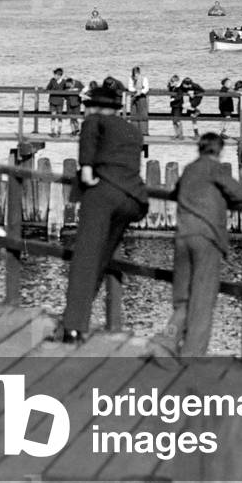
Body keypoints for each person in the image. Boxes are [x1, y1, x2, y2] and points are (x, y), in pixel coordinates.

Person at [57, 85, 149, 343]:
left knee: (85, 259)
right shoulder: (131, 129)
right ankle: (79, 317)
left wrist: (88, 175)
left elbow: (86, 169)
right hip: (133, 200)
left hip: (104, 194)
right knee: (101, 259)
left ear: (94, 107)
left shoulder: (93, 122)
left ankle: (73, 326)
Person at [166, 133, 242, 356]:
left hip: (183, 236)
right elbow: (240, 194)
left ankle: (166, 342)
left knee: (183, 296)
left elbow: (176, 192)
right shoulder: (215, 169)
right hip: (206, 238)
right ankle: (192, 357)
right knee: (202, 299)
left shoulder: (190, 168)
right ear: (219, 151)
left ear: (199, 149)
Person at [46, 67, 66, 136]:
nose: (55, 76)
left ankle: (59, 131)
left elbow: (67, 91)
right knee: (53, 116)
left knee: (60, 116)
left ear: (60, 75)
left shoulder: (64, 82)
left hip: (60, 101)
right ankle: (53, 131)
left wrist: (64, 97)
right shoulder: (52, 80)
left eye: (56, 75)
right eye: (54, 74)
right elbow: (47, 88)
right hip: (52, 100)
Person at [168, 74, 185, 140]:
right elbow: (169, 88)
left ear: (177, 82)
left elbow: (179, 96)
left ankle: (180, 134)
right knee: (174, 120)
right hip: (173, 106)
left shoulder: (180, 88)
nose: (171, 83)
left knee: (178, 120)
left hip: (178, 106)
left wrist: (173, 99)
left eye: (173, 81)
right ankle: (176, 133)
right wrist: (169, 83)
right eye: (171, 81)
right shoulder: (173, 87)